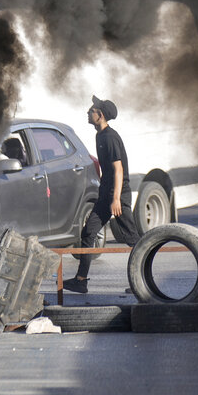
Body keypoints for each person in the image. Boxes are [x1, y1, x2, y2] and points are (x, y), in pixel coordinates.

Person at [62, 96, 141, 293]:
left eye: (92, 110)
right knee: (88, 233)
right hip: (106, 194)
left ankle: (143, 283)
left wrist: (116, 200)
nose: (88, 112)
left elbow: (119, 170)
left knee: (133, 239)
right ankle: (81, 280)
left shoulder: (110, 137)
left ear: (101, 115)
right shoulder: (100, 136)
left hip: (117, 196)